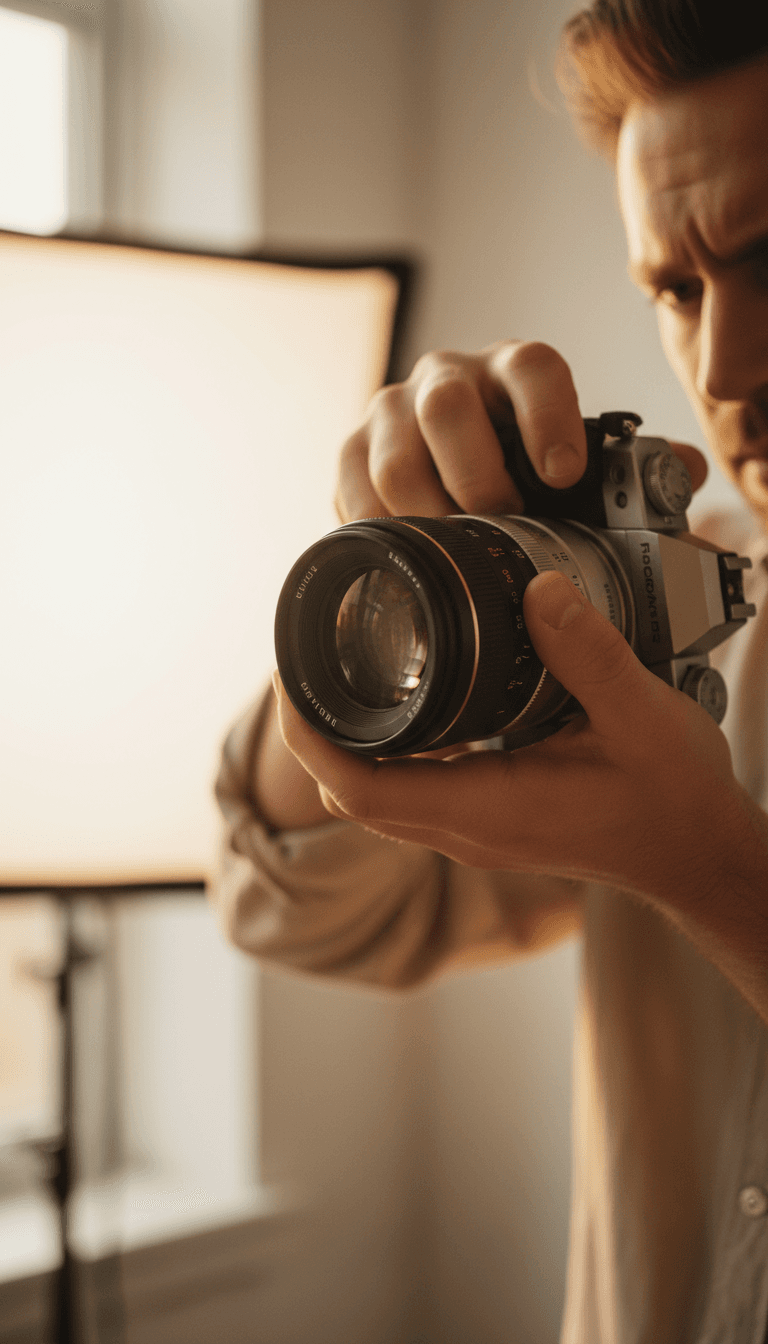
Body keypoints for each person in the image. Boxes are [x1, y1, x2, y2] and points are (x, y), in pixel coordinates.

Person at [212, 2, 768, 1339]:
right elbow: (299, 910)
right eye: (678, 290)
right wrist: (417, 604)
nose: (725, 366)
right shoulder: (676, 608)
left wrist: (712, 874)